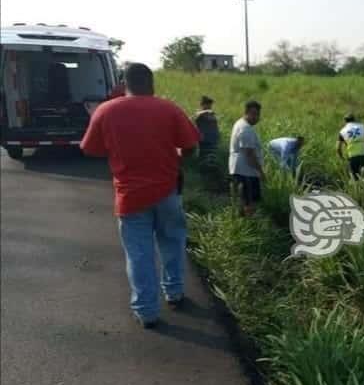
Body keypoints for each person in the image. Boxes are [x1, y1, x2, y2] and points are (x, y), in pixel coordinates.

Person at [80, 63, 201, 328]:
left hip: (130, 197)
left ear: (125, 84)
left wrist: (117, 148)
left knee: (139, 254)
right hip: (168, 191)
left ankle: (147, 312)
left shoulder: (106, 111)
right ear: (152, 83)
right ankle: (175, 292)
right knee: (173, 242)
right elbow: (191, 147)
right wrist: (177, 155)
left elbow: (89, 149)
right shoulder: (168, 108)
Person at [229, 100, 264, 216]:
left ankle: (245, 223)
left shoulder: (240, 124)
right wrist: (261, 172)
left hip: (241, 170)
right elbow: (249, 154)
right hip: (246, 171)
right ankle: (249, 224)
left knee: (244, 201)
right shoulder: (246, 129)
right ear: (246, 113)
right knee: (249, 202)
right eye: (253, 114)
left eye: (258, 114)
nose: (256, 117)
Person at [337, 114, 364, 179]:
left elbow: (338, 148)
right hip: (363, 154)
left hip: (352, 156)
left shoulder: (342, 131)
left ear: (345, 121)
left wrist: (341, 157)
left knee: (355, 178)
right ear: (354, 119)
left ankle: (357, 188)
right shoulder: (362, 127)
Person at [194, 95, 220, 169]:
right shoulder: (200, 114)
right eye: (208, 104)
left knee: (212, 162)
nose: (209, 106)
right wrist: (206, 112)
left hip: (213, 144)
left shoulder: (211, 115)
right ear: (202, 104)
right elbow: (196, 116)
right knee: (203, 161)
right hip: (204, 144)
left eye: (210, 104)